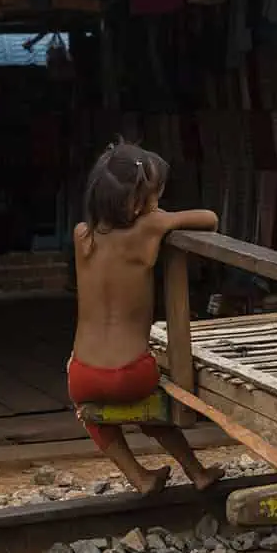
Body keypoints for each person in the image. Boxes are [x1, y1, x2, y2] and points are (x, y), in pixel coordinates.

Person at [67, 139, 223, 494]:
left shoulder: (82, 234)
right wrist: (156, 211)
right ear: (138, 200)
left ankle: (138, 475)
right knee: (152, 408)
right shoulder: (150, 227)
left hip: (83, 374)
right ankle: (196, 471)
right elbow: (209, 219)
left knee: (88, 407)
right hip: (133, 374)